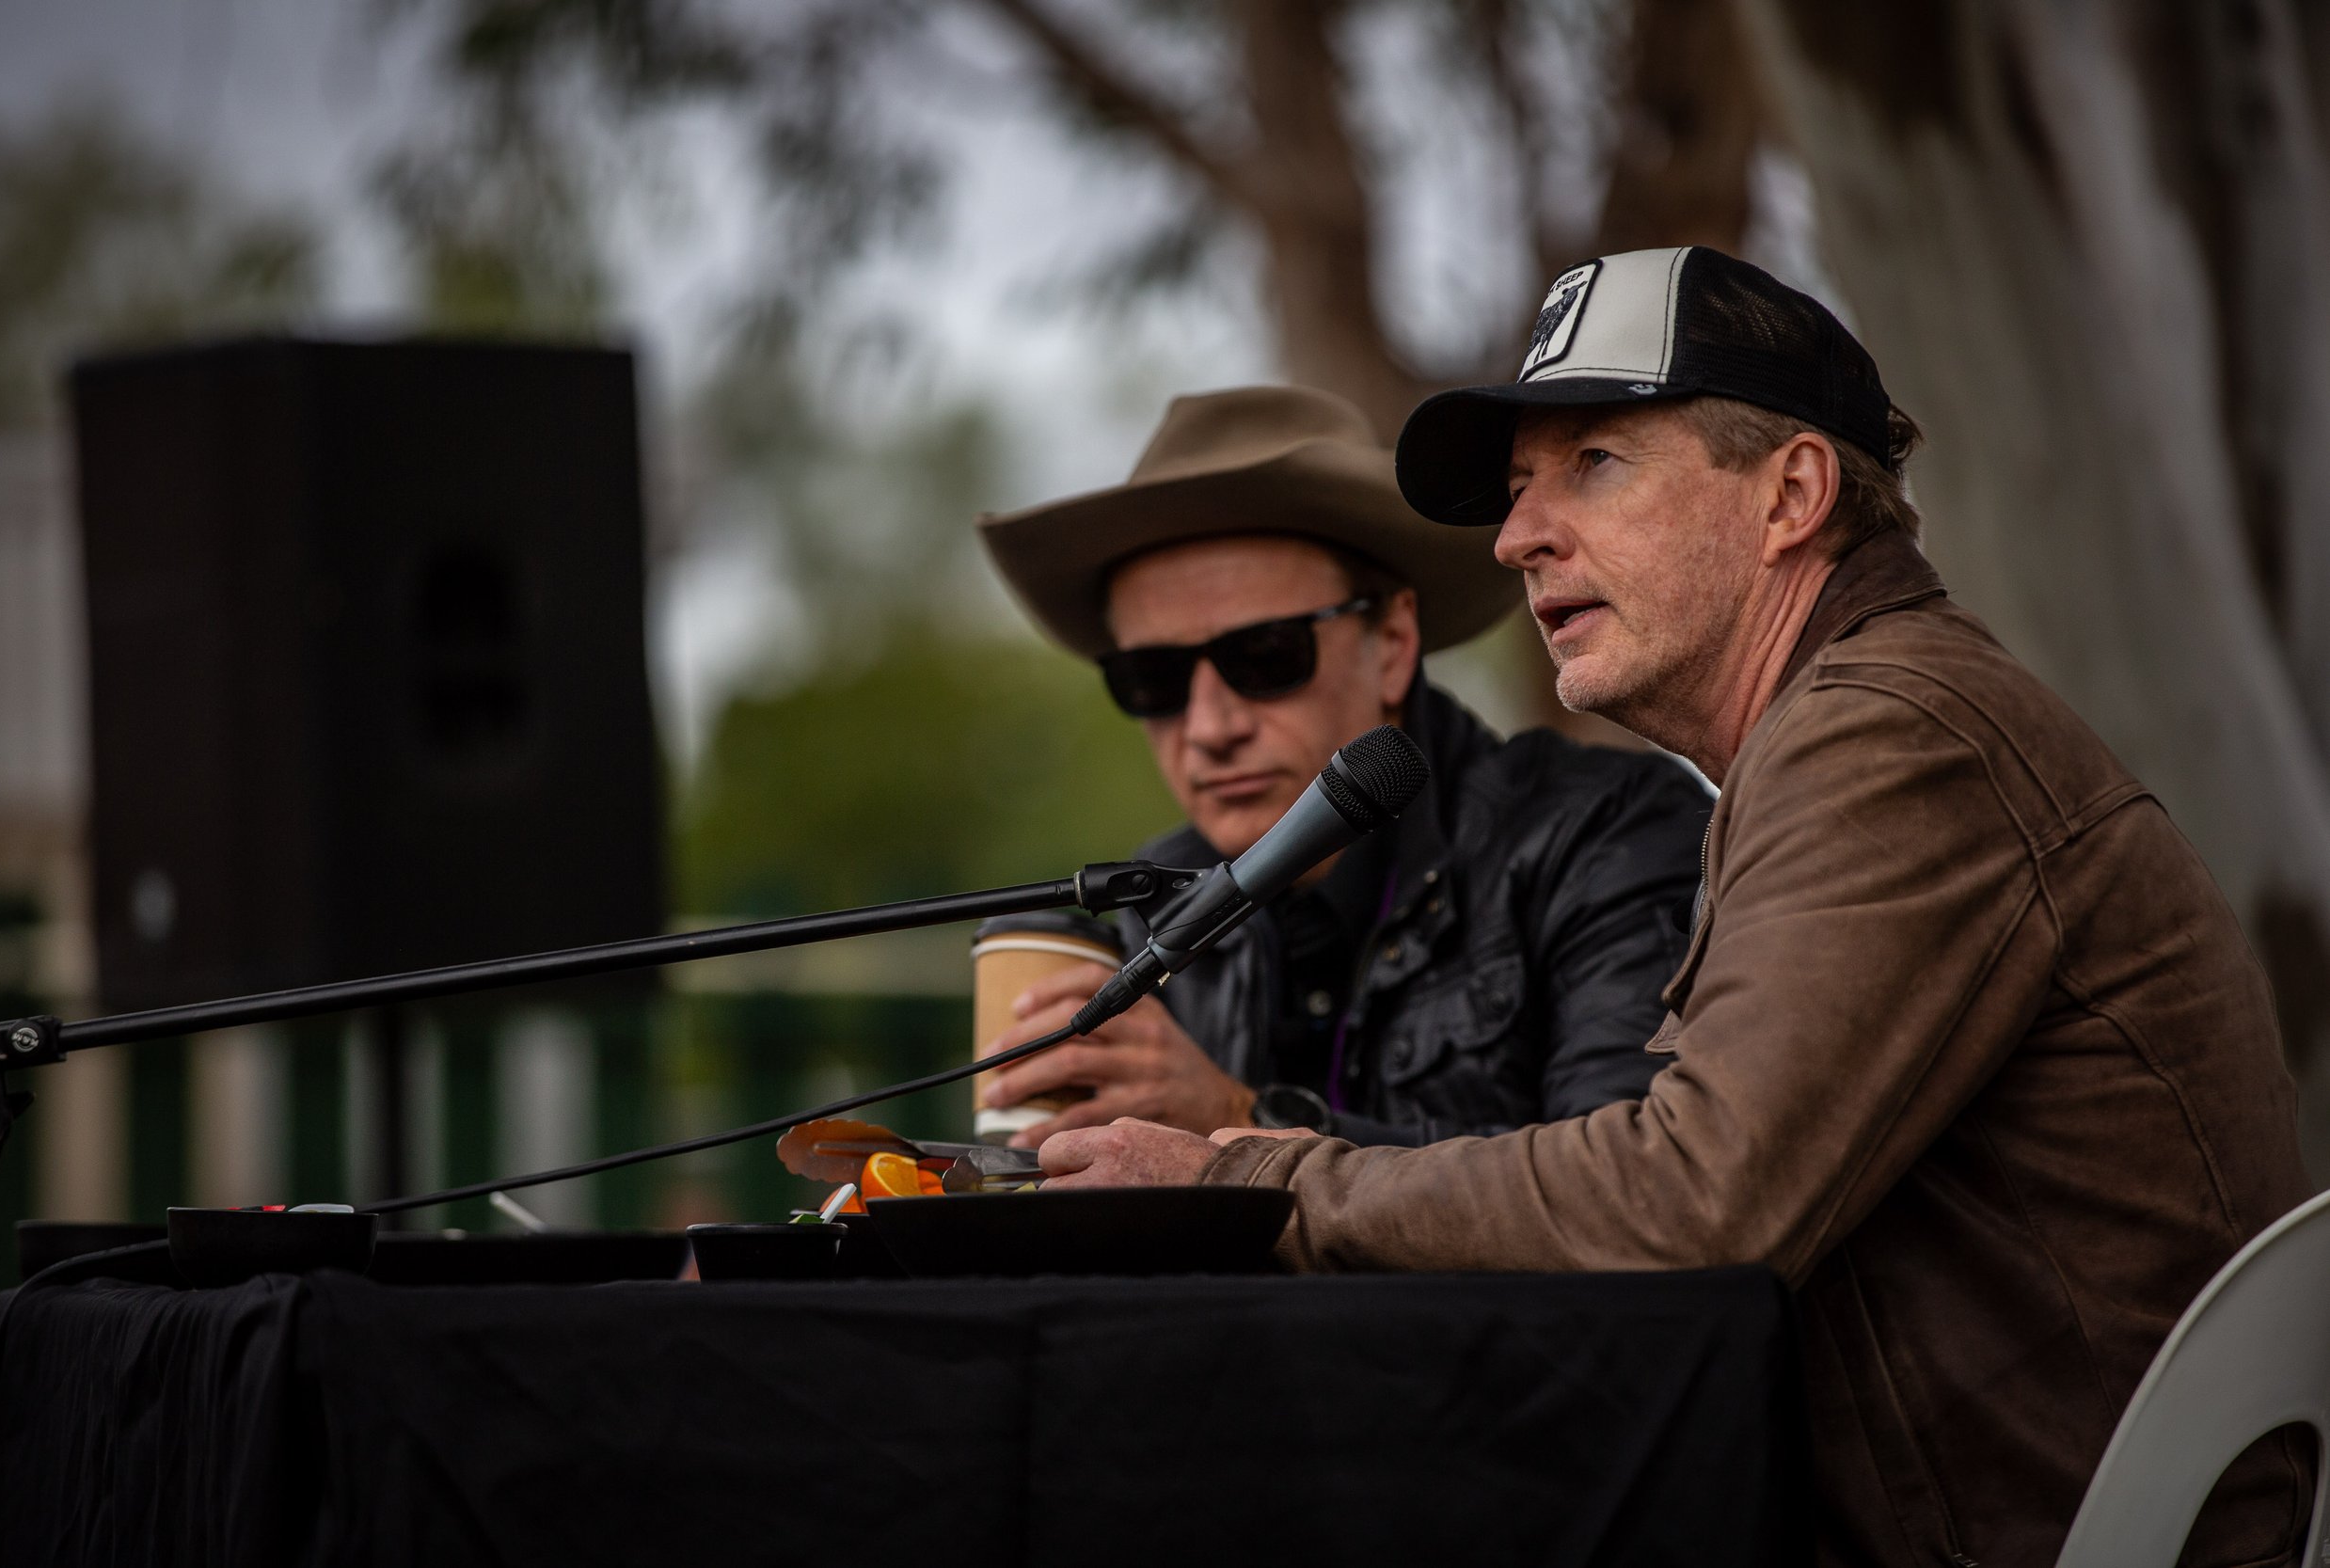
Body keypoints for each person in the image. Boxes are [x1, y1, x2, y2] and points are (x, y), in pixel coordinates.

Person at [1038, 249, 2315, 1566]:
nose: (1519, 532)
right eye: (1522, 486)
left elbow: (1695, 1203)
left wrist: (1252, 1171)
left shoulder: (1890, 735)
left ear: (1793, 495)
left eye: (1596, 461)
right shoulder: (1849, 731)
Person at [973, 385, 1710, 1150]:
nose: (1208, 726)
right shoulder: (1152, 902)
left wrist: (1235, 1122)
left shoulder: (1603, 835)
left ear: (1392, 645)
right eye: (1152, 678)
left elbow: (1626, 1196)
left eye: (1265, 655)